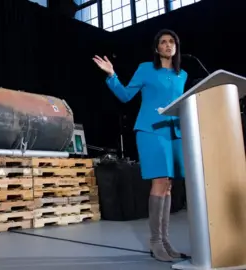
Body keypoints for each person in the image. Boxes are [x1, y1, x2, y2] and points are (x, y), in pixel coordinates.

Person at [92, 29, 189, 262]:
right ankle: (155, 242)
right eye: (163, 42)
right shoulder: (146, 68)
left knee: (168, 186)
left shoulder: (182, 75)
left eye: (171, 42)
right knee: (159, 182)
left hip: (175, 132)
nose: (168, 45)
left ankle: (165, 240)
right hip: (151, 130)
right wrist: (112, 75)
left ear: (176, 47)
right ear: (157, 49)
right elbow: (126, 96)